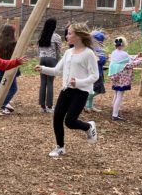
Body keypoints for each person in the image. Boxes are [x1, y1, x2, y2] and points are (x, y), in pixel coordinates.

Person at [35, 22, 99, 158]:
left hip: (81, 91)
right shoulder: (68, 52)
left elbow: (95, 76)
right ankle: (60, 147)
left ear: (79, 36)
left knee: (70, 122)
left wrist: (79, 82)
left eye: (70, 33)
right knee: (57, 118)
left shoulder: (89, 54)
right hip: (66, 90)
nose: (67, 36)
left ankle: (88, 127)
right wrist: (43, 69)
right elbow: (57, 70)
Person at [107, 36, 142, 122]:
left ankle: (114, 111)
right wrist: (141, 59)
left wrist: (136, 56)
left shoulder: (114, 53)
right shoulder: (124, 54)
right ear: (124, 44)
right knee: (119, 95)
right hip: (122, 79)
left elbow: (128, 58)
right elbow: (130, 64)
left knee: (116, 94)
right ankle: (115, 115)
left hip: (115, 77)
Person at [0, 24, 22, 115]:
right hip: (9, 68)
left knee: (1, 86)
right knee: (13, 88)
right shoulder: (13, 44)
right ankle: (2, 105)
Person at [37, 17, 62, 114]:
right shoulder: (56, 37)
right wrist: (58, 60)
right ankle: (50, 106)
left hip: (42, 59)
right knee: (50, 82)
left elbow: (38, 49)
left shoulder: (41, 36)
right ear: (54, 26)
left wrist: (41, 57)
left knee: (43, 82)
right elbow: (59, 50)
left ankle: (42, 107)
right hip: (52, 60)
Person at [85, 31, 107, 112]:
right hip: (96, 73)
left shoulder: (90, 48)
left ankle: (89, 106)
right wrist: (105, 58)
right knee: (98, 89)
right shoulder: (95, 49)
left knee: (92, 89)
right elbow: (101, 60)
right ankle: (86, 100)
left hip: (95, 72)